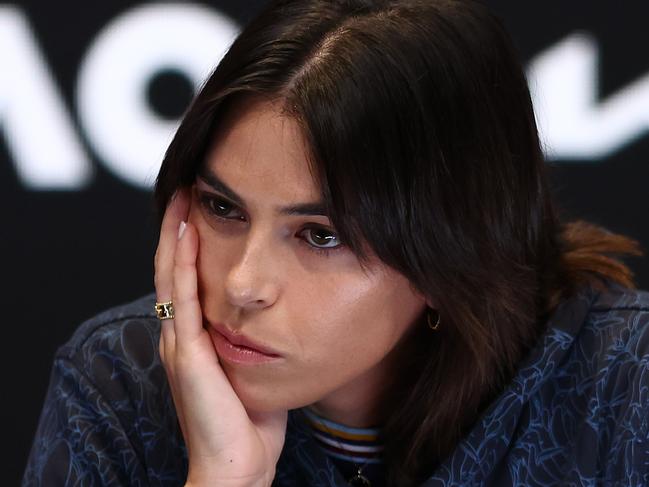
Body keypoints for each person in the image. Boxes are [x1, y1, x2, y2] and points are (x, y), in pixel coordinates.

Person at [23, 0, 649, 485]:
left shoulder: (626, 387)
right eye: (222, 207)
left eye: (321, 236)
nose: (243, 284)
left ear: (451, 251)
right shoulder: (118, 385)